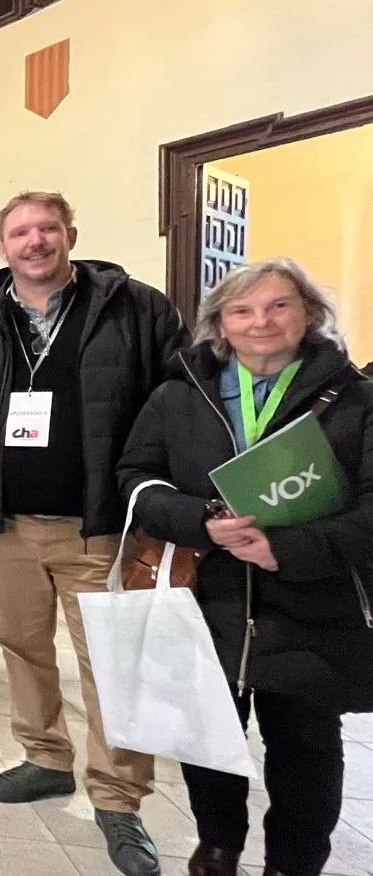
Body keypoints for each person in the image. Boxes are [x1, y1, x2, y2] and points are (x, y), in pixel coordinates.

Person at [0, 191, 187, 876]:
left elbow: (178, 403)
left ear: (70, 235)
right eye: (20, 231)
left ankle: (117, 798)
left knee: (112, 662)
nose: (35, 241)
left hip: (98, 526)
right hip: (4, 526)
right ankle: (45, 756)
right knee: (21, 645)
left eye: (47, 228)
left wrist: (168, 506)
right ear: (2, 247)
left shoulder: (135, 308)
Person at [119, 258, 372, 876]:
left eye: (278, 305)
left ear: (309, 313)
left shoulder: (357, 400)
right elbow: (135, 480)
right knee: (209, 738)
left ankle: (294, 861)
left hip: (312, 602)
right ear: (220, 326)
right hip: (211, 595)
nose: (260, 321)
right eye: (241, 310)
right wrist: (199, 519)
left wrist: (289, 549)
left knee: (305, 747)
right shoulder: (179, 395)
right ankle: (218, 848)